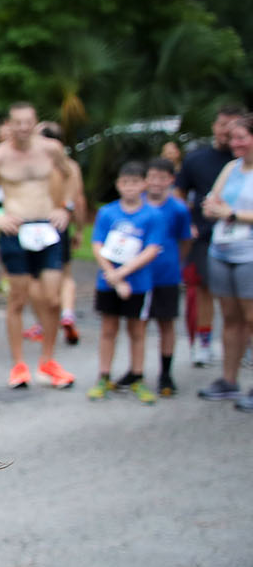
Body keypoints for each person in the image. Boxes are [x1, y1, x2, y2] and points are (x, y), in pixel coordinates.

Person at [0, 103, 76, 390]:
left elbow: (70, 175)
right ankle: (19, 364)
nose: (22, 128)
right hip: (15, 229)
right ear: (10, 124)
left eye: (27, 122)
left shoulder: (50, 149)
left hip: (46, 225)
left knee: (53, 298)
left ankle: (48, 360)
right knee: (18, 299)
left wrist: (65, 208)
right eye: (17, 122)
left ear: (35, 123)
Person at [85, 163, 164, 403]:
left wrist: (123, 274)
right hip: (108, 281)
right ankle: (104, 376)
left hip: (138, 283)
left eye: (135, 182)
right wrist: (112, 275)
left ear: (144, 185)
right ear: (118, 185)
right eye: (125, 183)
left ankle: (137, 376)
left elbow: (152, 249)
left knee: (137, 330)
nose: (130, 187)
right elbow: (97, 245)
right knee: (108, 329)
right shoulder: (108, 213)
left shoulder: (152, 215)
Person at [179, 106, 246, 368]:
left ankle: (244, 343)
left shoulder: (242, 164)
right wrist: (186, 223)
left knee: (242, 299)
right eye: (222, 125)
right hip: (206, 236)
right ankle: (204, 342)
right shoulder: (197, 159)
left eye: (233, 127)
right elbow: (180, 194)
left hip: (243, 237)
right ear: (214, 127)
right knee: (204, 290)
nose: (227, 132)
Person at [196, 110, 253, 408]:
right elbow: (212, 201)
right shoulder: (231, 168)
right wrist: (210, 207)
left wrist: (231, 214)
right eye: (232, 138)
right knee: (230, 318)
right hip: (222, 250)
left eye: (241, 137)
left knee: (252, 319)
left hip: (249, 255)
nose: (235, 143)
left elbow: (227, 210)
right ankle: (229, 380)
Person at [141, 158, 191, 397]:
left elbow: (185, 240)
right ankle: (136, 370)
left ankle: (166, 372)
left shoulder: (179, 208)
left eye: (163, 178)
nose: (156, 183)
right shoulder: (137, 204)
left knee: (166, 323)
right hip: (139, 273)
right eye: (152, 177)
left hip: (167, 273)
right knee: (137, 324)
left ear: (171, 180)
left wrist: (176, 263)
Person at [36, 120, 87, 346]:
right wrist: (79, 229)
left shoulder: (38, 164)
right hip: (61, 222)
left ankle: (44, 322)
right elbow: (79, 200)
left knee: (36, 277)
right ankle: (67, 312)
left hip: (40, 222)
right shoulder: (70, 166)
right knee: (65, 275)